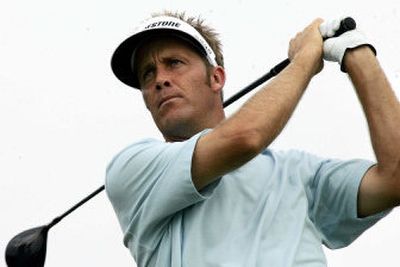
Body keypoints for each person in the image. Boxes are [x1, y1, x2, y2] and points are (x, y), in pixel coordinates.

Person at [106, 11, 400, 267]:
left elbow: (394, 179)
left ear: (216, 78)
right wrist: (305, 60)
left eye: (174, 63)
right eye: (148, 73)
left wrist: (357, 52)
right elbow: (245, 138)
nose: (160, 79)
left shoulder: (297, 173)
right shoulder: (132, 169)